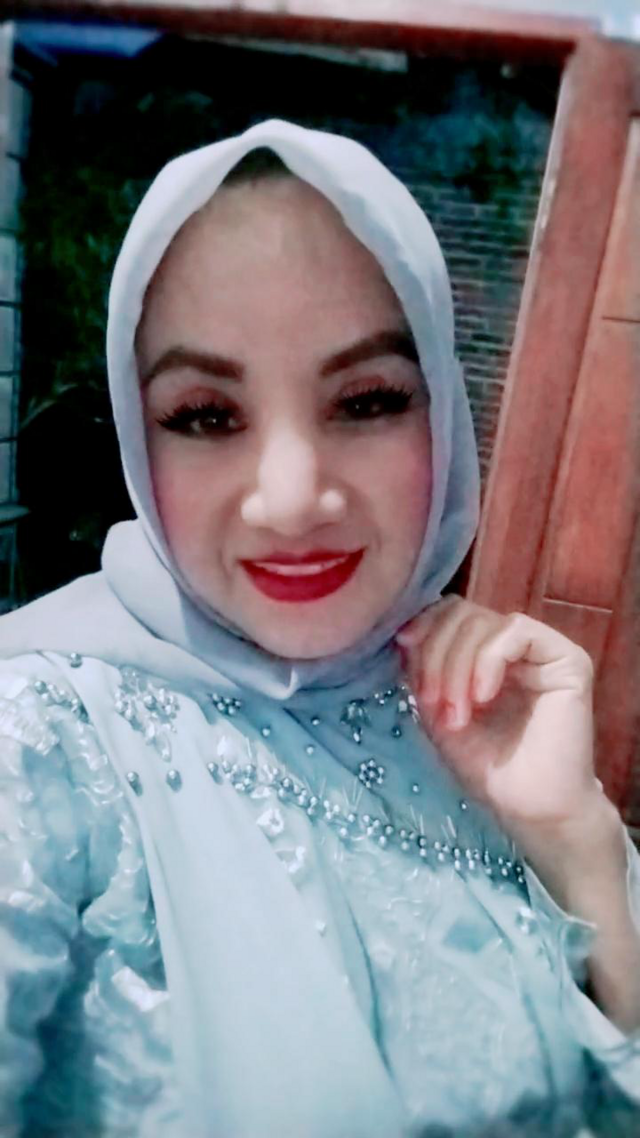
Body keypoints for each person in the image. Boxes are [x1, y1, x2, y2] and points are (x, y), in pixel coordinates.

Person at [0, 118, 639, 1138]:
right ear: (135, 432)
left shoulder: (474, 711)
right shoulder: (41, 741)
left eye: (368, 400)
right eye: (205, 415)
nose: (293, 501)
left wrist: (579, 842)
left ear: (442, 415)